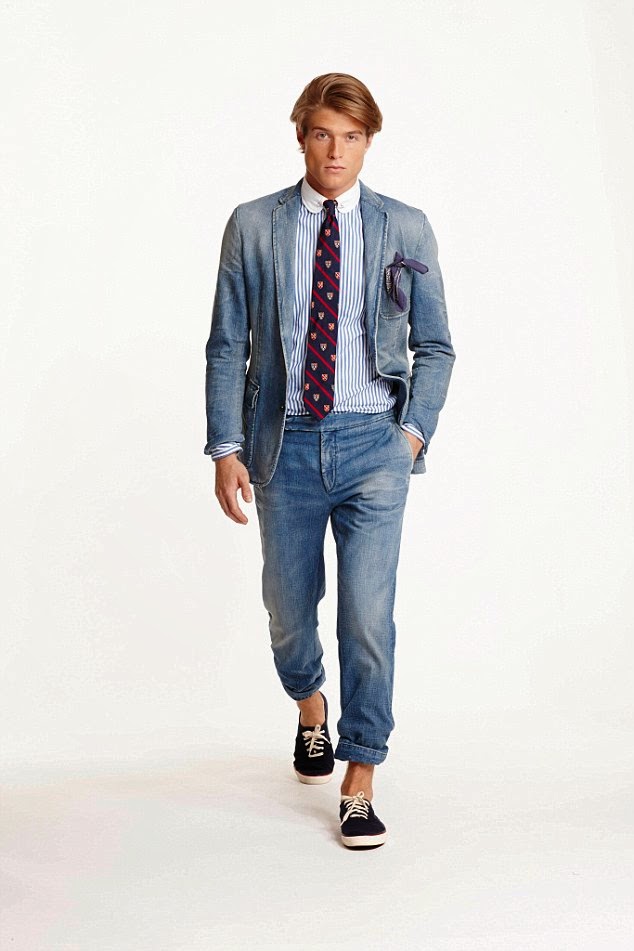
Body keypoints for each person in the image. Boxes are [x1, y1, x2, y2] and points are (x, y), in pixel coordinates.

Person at [204, 73, 455, 849]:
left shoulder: (405, 226)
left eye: (350, 137)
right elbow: (228, 344)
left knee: (367, 616)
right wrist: (225, 446)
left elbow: (437, 346)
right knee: (287, 610)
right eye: (322, 134)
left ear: (368, 141)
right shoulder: (254, 224)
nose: (335, 151)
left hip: (374, 444)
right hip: (282, 443)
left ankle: (360, 774)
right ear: (301, 137)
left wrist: (411, 435)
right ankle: (310, 704)